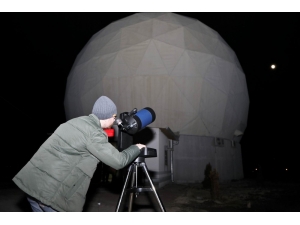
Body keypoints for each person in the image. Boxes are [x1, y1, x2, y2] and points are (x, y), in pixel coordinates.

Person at [12, 96, 145, 212]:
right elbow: (118, 161)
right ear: (111, 116)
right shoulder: (94, 133)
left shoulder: (75, 122)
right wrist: (135, 148)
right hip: (51, 196)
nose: (115, 121)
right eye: (114, 117)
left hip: (34, 187)